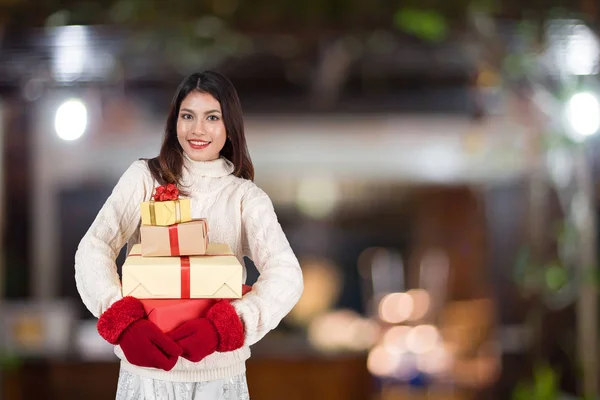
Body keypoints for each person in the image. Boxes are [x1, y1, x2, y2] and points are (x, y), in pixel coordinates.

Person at [74, 70, 304, 400]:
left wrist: (226, 327)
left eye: (212, 117)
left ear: (230, 126)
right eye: (188, 116)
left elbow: (287, 276)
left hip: (219, 375)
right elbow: (94, 247)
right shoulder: (144, 178)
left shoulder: (244, 197)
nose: (198, 129)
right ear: (174, 122)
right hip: (147, 372)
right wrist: (123, 322)